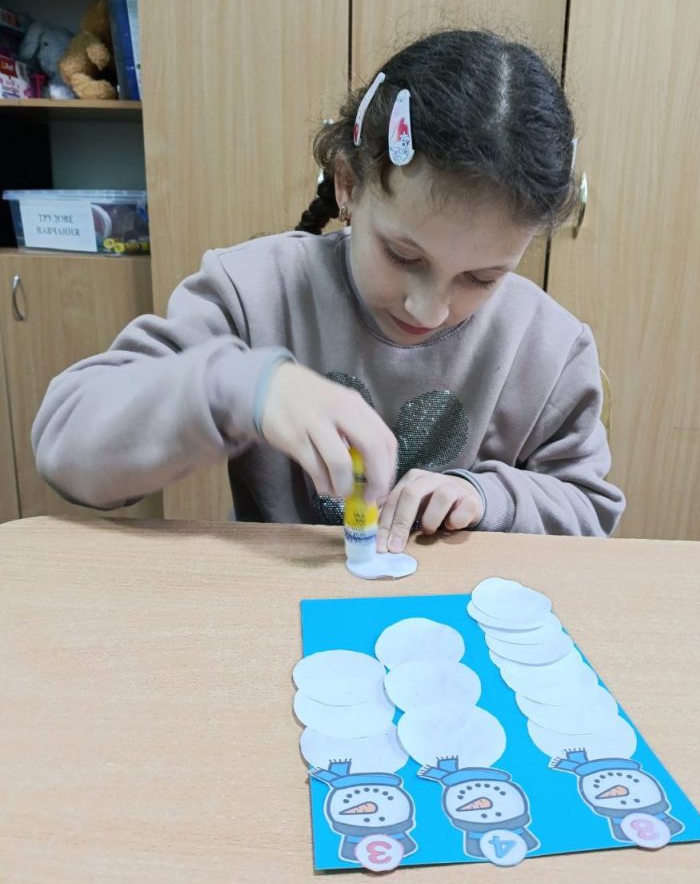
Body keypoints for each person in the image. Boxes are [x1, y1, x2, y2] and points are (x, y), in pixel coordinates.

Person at [32, 28, 625, 550]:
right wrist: (239, 387)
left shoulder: (549, 346)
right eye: (402, 255)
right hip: (281, 614)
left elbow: (589, 509)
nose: (429, 308)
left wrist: (490, 498)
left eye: (481, 278)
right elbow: (67, 448)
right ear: (347, 185)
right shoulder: (252, 293)